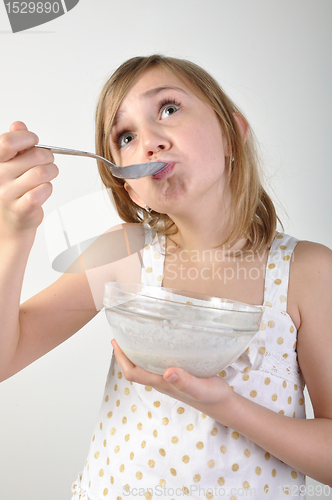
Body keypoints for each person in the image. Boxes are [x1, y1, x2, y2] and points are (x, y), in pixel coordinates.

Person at [0, 55, 331, 500]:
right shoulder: (124, 254)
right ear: (131, 186)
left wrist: (225, 406)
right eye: (126, 137)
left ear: (232, 132)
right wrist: (13, 236)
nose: (149, 142)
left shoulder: (307, 273)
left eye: (169, 109)